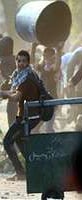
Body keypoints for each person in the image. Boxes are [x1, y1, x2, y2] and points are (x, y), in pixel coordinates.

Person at [1, 50, 42, 180]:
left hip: (28, 117)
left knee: (7, 141)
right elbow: (13, 91)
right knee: (18, 140)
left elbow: (16, 97)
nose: (21, 63)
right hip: (25, 116)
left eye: (24, 61)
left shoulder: (27, 78)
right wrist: (4, 93)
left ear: (28, 62)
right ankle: (32, 168)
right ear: (16, 61)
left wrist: (3, 94)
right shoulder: (21, 76)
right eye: (19, 61)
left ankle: (22, 172)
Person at [0, 36, 17, 127]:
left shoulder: (7, 61)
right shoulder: (13, 59)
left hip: (13, 95)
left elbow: (10, 77)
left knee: (12, 116)